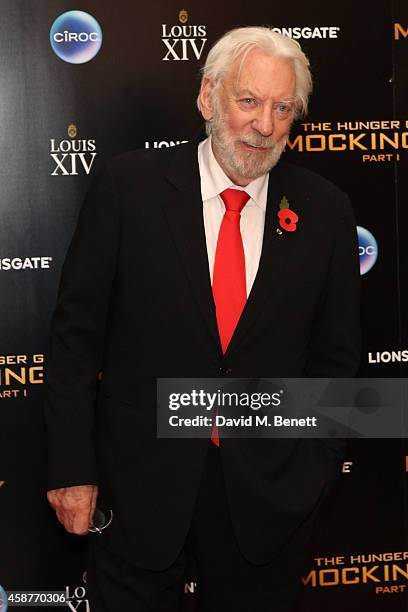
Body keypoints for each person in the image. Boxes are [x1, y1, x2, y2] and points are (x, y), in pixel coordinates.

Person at [44, 26, 360, 612]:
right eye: (248, 101)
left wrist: (311, 475)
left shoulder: (325, 212)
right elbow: (73, 342)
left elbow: (337, 363)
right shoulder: (127, 188)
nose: (264, 125)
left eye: (282, 108)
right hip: (137, 491)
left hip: (267, 503)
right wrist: (72, 469)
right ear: (207, 98)